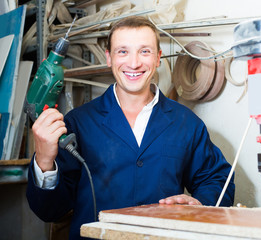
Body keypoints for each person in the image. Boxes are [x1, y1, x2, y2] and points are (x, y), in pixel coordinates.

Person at [26, 16, 235, 239]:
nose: (134, 63)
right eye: (123, 51)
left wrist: (199, 202)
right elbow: (49, 211)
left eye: (144, 51)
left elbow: (216, 179)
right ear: (108, 57)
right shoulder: (77, 123)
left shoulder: (187, 123)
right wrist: (44, 161)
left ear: (158, 58)